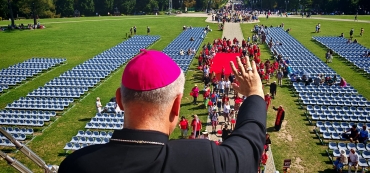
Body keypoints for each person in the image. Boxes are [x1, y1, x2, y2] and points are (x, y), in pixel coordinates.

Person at [59, 52, 266, 173]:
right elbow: (248, 149)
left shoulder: (76, 165)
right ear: (177, 105)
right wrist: (255, 93)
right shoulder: (201, 158)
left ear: (120, 101)